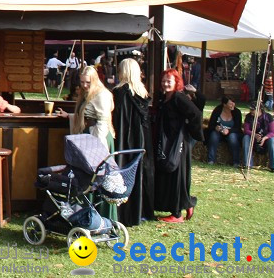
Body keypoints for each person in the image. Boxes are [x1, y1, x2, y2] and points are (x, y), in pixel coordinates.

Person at [57, 65, 117, 222]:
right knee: (87, 178)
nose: (84, 85)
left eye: (87, 82)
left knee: (99, 176)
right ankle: (86, 215)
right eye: (82, 82)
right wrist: (69, 116)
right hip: (90, 137)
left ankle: (102, 216)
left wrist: (99, 150)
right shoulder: (87, 94)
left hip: (98, 139)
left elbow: (102, 122)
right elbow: (86, 116)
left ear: (95, 80)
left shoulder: (102, 94)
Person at [153, 68, 203, 223]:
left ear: (176, 82)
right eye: (163, 80)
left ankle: (177, 214)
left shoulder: (178, 98)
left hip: (178, 143)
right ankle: (186, 203)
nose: (165, 83)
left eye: (169, 81)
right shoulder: (164, 98)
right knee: (168, 175)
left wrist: (189, 132)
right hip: (167, 142)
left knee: (177, 176)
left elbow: (196, 114)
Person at [111, 57, 153, 226]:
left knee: (124, 170)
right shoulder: (142, 94)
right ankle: (141, 212)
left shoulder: (119, 93)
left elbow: (118, 119)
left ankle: (122, 211)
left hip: (124, 138)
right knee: (139, 171)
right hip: (141, 139)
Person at [242, 100, 274, 173]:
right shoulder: (248, 117)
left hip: (265, 139)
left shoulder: (268, 117)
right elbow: (246, 130)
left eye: (252, 110)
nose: (251, 111)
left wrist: (265, 138)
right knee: (245, 138)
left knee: (272, 140)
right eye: (250, 109)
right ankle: (247, 164)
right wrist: (254, 135)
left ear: (259, 109)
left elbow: (272, 132)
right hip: (253, 138)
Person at [206, 96, 242, 167]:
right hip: (219, 132)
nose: (233, 105)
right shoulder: (217, 110)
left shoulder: (237, 112)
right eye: (230, 104)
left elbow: (238, 128)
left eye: (233, 103)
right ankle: (211, 160)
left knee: (233, 138)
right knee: (213, 135)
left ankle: (236, 162)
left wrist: (229, 131)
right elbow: (211, 125)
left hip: (232, 132)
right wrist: (216, 128)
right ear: (224, 104)